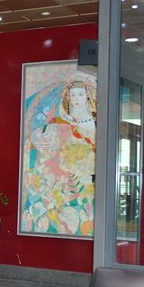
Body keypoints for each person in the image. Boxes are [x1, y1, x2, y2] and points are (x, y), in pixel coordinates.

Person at [23, 79, 97, 235]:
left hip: (84, 177)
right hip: (58, 176)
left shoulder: (95, 124)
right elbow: (42, 148)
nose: (76, 99)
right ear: (67, 98)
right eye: (73, 95)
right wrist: (41, 142)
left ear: (87, 96)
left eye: (80, 94)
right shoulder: (58, 122)